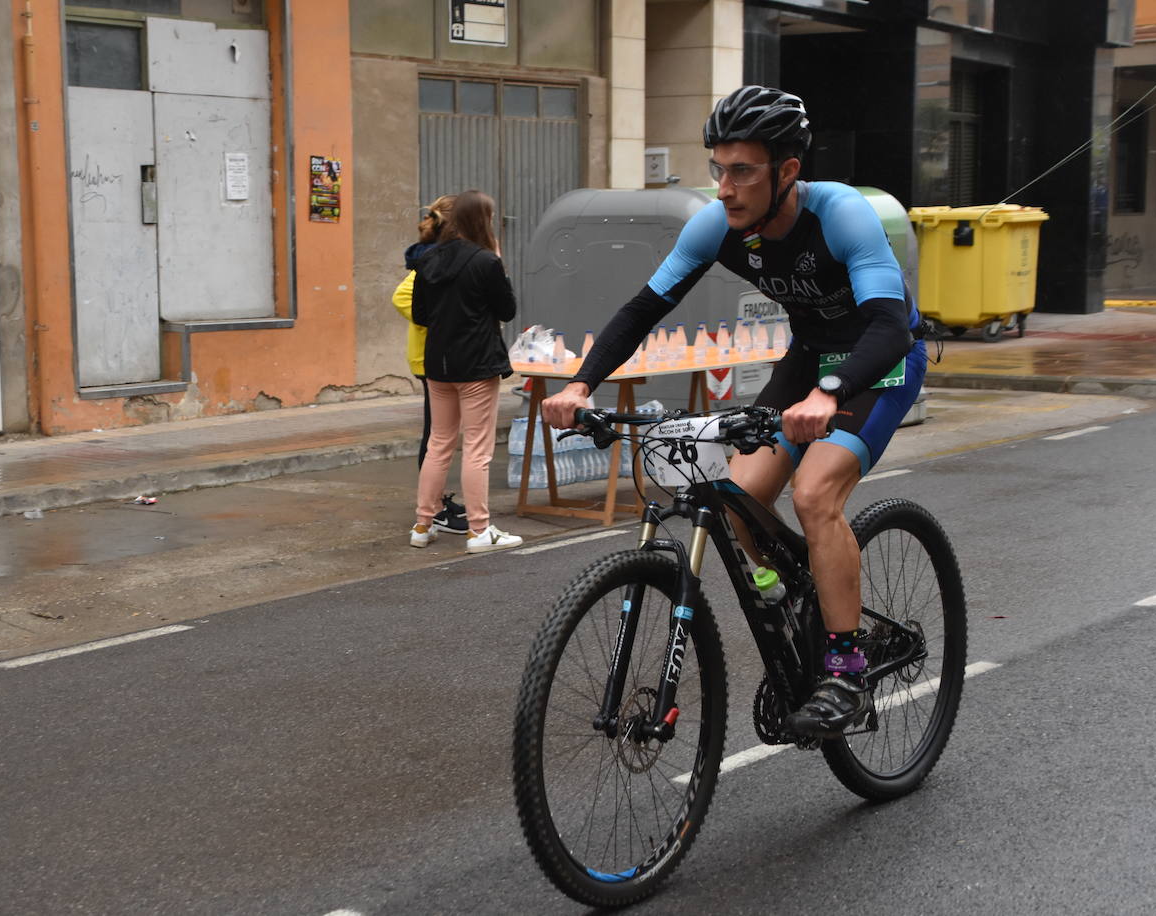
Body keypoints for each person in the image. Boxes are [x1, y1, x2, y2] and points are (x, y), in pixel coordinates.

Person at [541, 85, 926, 737]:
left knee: (813, 494)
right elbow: (643, 309)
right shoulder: (718, 225)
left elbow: (890, 326)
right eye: (718, 168)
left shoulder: (841, 216)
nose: (724, 186)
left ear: (788, 172)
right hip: (808, 356)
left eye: (742, 170)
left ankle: (845, 670)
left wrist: (830, 395)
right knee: (737, 498)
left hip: (876, 361)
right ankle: (793, 595)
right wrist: (581, 384)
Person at [410, 189, 524, 554]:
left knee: (438, 444)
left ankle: (422, 525)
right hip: (476, 364)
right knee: (477, 449)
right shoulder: (485, 261)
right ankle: (479, 530)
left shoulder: (428, 260)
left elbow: (420, 316)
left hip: (438, 364)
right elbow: (507, 310)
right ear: (481, 220)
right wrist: (498, 265)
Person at [391, 195, 469, 534]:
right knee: (437, 436)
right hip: (432, 356)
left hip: (438, 355)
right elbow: (402, 296)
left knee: (440, 434)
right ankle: (433, 509)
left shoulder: (438, 256)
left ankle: (436, 502)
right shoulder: (434, 259)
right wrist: (442, 321)